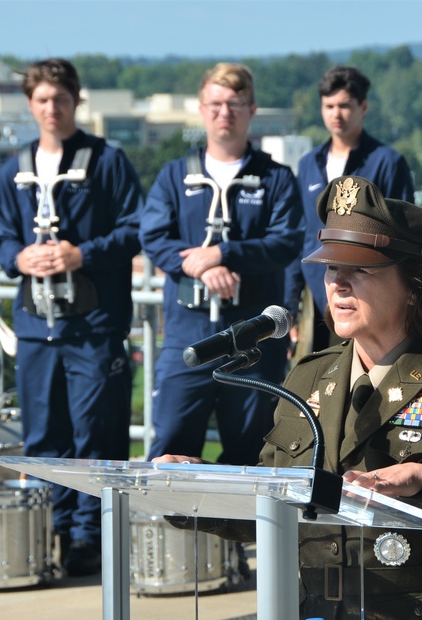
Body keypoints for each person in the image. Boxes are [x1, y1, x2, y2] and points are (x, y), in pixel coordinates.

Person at [157, 175, 422, 620]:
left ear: (415, 285)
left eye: (360, 270)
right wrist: (192, 489)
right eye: (331, 267)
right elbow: (275, 508)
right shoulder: (307, 378)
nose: (336, 283)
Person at [0, 58, 143, 576]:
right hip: (36, 327)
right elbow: (0, 236)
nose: (50, 109)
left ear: (76, 101)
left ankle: (87, 538)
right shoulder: (15, 167)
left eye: (59, 99)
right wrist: (17, 257)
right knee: (43, 437)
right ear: (30, 105)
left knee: (92, 436)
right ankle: (50, 530)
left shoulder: (106, 162)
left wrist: (83, 254)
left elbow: (134, 228)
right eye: (41, 100)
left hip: (92, 327)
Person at [141, 63, 303, 465]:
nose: (224, 113)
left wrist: (225, 254)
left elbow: (286, 242)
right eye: (215, 104)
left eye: (235, 104)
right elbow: (154, 238)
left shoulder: (275, 178)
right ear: (200, 109)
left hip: (254, 334)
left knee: (252, 452)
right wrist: (203, 265)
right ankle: (176, 526)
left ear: (252, 110)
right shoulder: (174, 176)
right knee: (171, 448)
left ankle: (244, 531)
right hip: (188, 330)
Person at [284, 65, 414, 353]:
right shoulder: (308, 164)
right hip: (318, 300)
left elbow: (403, 238)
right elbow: (301, 235)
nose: (336, 114)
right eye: (329, 106)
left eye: (345, 105)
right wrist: (289, 303)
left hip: (368, 301)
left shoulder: (387, 162)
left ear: (363, 106)